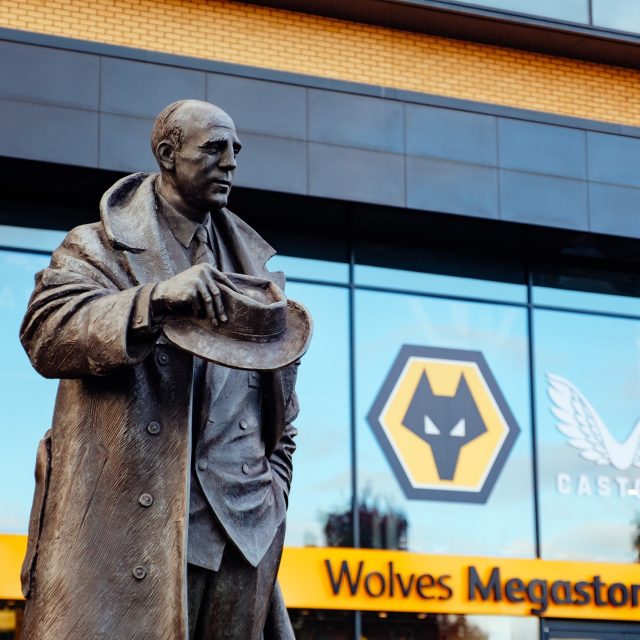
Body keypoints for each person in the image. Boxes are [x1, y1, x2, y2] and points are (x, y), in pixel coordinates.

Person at [19, 99, 305, 639]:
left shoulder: (253, 267)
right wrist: (151, 301)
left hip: (244, 532)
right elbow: (46, 332)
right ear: (168, 154)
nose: (231, 162)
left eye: (236, 151)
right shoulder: (99, 245)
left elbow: (282, 416)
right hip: (135, 527)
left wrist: (274, 493)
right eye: (214, 148)